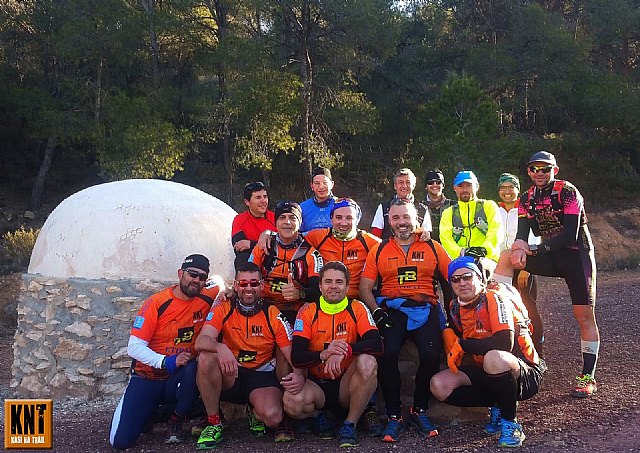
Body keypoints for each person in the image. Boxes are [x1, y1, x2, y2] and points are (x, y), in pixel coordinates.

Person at [493, 151, 599, 397]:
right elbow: (522, 233)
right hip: (550, 255)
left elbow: (570, 234)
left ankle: (588, 376)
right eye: (534, 169)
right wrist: (519, 248)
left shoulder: (568, 191)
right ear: (529, 171)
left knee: (584, 316)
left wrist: (535, 249)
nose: (539, 173)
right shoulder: (526, 198)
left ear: (555, 170)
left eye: (545, 169)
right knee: (507, 256)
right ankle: (496, 309)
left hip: (576, 256)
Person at [359, 198, 451, 442]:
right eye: (396, 218)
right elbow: (365, 287)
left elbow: (452, 276)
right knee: (387, 352)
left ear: (416, 219)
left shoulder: (432, 246)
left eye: (406, 217)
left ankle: (418, 410)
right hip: (392, 308)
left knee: (430, 354)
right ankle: (393, 415)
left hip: (425, 306)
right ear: (389, 221)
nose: (402, 222)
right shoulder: (379, 249)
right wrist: (376, 311)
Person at [430, 257, 544, 448]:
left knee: (493, 357)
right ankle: (499, 403)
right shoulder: (456, 306)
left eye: (467, 277)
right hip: (487, 370)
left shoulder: (494, 298)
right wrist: (448, 333)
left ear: (480, 279)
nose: (462, 283)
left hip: (523, 371)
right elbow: (459, 332)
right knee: (439, 385)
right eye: (456, 279)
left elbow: (504, 343)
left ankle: (510, 423)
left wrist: (463, 345)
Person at [110, 254, 222, 449]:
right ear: (180, 274)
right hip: (148, 376)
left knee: (196, 366)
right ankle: (151, 412)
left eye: (202, 277)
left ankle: (176, 419)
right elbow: (134, 347)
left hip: (179, 376)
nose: (196, 280)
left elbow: (219, 282)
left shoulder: (206, 295)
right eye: (192, 274)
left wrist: (226, 292)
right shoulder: (157, 302)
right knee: (120, 442)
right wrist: (165, 361)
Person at [194, 262, 304, 449]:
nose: (249, 288)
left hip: (261, 374)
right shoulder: (224, 306)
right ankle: (214, 422)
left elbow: (290, 352)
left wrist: (299, 375)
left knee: (273, 417)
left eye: (254, 283)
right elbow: (201, 341)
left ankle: (254, 410)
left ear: (262, 285)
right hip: (232, 372)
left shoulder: (272, 312)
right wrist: (220, 347)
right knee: (206, 357)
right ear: (236, 286)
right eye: (243, 284)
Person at [303, 199, 383, 435]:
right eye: (338, 217)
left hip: (357, 305)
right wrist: (267, 234)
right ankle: (312, 406)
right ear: (331, 219)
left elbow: (394, 245)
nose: (343, 222)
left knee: (377, 352)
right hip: (325, 302)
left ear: (357, 220)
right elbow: (290, 236)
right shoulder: (318, 236)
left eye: (349, 218)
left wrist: (419, 233)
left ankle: (368, 407)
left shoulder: (368, 240)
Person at [285, 261, 383, 448]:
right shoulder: (307, 311)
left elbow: (377, 345)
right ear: (320, 286)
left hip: (346, 385)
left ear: (347, 286)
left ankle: (350, 425)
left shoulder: (357, 308)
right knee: (291, 403)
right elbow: (297, 356)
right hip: (317, 386)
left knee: (368, 361)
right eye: (328, 281)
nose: (333, 286)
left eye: (339, 282)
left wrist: (345, 350)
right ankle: (317, 415)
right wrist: (324, 354)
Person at [249, 200, 323, 325]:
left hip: (294, 310)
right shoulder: (264, 246)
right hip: (262, 306)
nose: (287, 222)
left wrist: (299, 294)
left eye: (292, 218)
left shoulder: (312, 254)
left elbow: (318, 291)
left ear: (300, 223)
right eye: (282, 217)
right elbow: (246, 275)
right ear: (276, 223)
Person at [497, 173, 544, 354]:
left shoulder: (526, 210)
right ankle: (515, 347)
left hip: (523, 265)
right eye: (503, 188)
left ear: (518, 189)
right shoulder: (494, 211)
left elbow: (535, 240)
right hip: (501, 267)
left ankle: (538, 349)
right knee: (503, 305)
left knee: (528, 305)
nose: (507, 191)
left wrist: (528, 269)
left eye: (511, 187)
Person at [439, 170, 503, 263]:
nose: (465, 190)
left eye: (469, 185)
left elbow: (496, 231)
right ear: (454, 188)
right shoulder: (448, 213)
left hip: (487, 259)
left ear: (477, 186)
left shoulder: (489, 206)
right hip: (459, 260)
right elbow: (446, 239)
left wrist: (483, 250)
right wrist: (462, 252)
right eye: (460, 186)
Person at [370, 168, 431, 239]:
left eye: (408, 182)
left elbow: (426, 237)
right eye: (401, 182)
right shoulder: (383, 208)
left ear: (413, 185)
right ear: (395, 186)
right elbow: (375, 237)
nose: (404, 186)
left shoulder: (423, 210)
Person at [231, 181, 276, 269]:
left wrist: (251, 244)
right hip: (252, 262)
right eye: (258, 197)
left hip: (274, 260)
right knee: (242, 258)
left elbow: (282, 245)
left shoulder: (276, 218)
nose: (263, 201)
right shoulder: (240, 220)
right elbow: (239, 247)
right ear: (247, 202)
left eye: (265, 197)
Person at [421, 169, 455, 243]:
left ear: (443, 185)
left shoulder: (454, 206)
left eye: (438, 182)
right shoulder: (420, 208)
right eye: (430, 183)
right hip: (427, 247)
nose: (435, 185)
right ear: (425, 186)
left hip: (450, 247)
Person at [299, 167, 338, 233]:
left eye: (325, 183)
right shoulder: (303, 207)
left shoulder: (340, 205)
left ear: (332, 184)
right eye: (317, 183)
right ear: (311, 186)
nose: (321, 187)